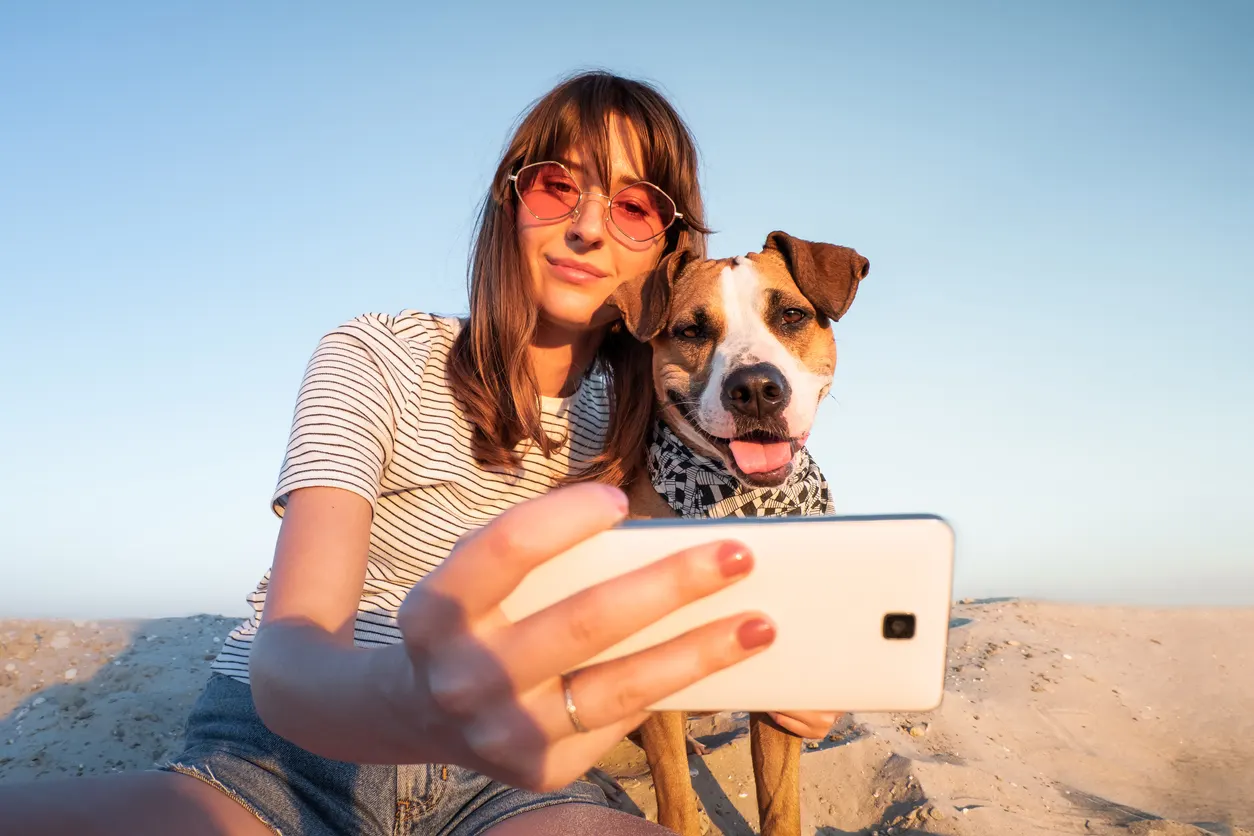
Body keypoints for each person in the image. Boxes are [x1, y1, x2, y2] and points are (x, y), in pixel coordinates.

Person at [0, 71, 835, 836]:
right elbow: (292, 650)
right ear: (508, 203)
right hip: (289, 753)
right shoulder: (375, 355)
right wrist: (414, 700)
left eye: (633, 205)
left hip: (515, 775)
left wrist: (795, 675)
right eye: (556, 186)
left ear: (670, 246)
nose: (586, 226)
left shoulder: (675, 410)